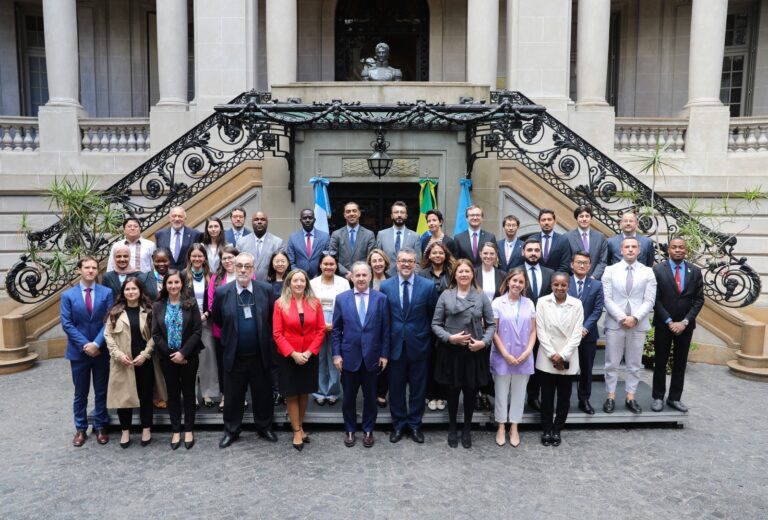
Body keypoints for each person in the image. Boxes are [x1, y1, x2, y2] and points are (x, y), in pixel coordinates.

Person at [211, 253, 278, 448]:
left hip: (259, 355)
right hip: (234, 355)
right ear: (232, 267)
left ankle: (264, 427)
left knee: (263, 394)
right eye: (239, 265)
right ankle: (232, 430)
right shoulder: (223, 292)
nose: (242, 270)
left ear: (253, 269)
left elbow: (270, 318)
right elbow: (218, 318)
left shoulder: (265, 290)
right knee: (233, 396)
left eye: (247, 266)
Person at [431, 258, 496, 449]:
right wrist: (450, 338)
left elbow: (491, 324)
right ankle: (452, 426)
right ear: (455, 274)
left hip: (473, 351)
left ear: (472, 274)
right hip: (451, 351)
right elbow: (435, 324)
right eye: (460, 271)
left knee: (470, 392)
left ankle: (467, 428)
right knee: (452, 392)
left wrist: (483, 343)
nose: (464, 274)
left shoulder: (480, 295)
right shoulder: (446, 295)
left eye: (467, 271)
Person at [380, 248, 438, 444]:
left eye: (410, 261)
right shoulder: (386, 286)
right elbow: (384, 318)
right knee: (395, 389)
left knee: (418, 389)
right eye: (402, 261)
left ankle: (414, 424)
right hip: (395, 345)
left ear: (416, 264)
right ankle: (398, 425)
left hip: (419, 345)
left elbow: (432, 317)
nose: (406, 264)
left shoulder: (428, 287)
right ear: (397, 263)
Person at [332, 262, 391, 448]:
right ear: (352, 277)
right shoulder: (342, 299)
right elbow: (336, 330)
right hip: (349, 357)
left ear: (370, 276)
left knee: (370, 397)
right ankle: (349, 429)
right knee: (348, 397)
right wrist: (336, 355)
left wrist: (384, 354)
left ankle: (368, 430)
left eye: (364, 275)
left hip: (372, 357)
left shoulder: (381, 299)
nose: (361, 278)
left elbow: (385, 330)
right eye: (357, 275)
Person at [61, 256, 114, 447]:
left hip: (101, 351)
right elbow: (67, 324)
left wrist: (97, 344)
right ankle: (81, 429)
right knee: (80, 392)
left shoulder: (106, 292)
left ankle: (100, 426)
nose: (91, 271)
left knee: (101, 391)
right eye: (87, 267)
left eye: (94, 268)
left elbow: (109, 320)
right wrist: (86, 345)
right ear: (79, 270)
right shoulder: (68, 296)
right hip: (78, 352)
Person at [602, 237, 657, 414]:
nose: (631, 249)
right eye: (627, 247)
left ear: (639, 250)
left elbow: (649, 300)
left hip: (638, 324)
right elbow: (607, 298)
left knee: (634, 364)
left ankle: (630, 396)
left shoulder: (648, 272)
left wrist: (635, 317)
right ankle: (610, 396)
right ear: (621, 249)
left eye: (634, 247)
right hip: (615, 323)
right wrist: (621, 317)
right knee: (612, 363)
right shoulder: (610, 270)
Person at [273, 269, 326, 451]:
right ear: (289, 283)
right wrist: (293, 353)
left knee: (304, 392)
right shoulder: (280, 304)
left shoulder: (315, 303)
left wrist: (310, 352)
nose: (298, 284)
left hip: (309, 355)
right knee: (292, 393)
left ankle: (300, 425)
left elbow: (320, 330)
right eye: (295, 280)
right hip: (289, 357)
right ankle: (296, 430)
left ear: (306, 284)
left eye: (302, 281)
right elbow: (277, 334)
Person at [651, 237, 704, 413]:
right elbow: (655, 299)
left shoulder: (695, 272)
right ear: (669, 250)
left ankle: (675, 398)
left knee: (680, 364)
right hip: (663, 325)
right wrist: (669, 321)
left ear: (686, 250)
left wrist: (685, 321)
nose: (678, 250)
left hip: (685, 326)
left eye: (681, 247)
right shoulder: (658, 270)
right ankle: (658, 397)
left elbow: (698, 300)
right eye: (674, 247)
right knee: (660, 362)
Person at [151, 269, 202, 449]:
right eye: (170, 283)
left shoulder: (191, 303)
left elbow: (197, 331)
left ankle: (188, 429)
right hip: (167, 358)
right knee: (172, 394)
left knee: (188, 393)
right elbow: (155, 334)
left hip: (189, 356)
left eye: (176, 282)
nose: (173, 286)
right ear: (165, 285)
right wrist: (172, 355)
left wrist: (183, 353)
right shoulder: (158, 305)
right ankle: (175, 431)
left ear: (182, 284)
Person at [104, 278, 158, 448]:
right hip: (123, 362)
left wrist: (145, 354)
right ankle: (125, 431)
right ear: (123, 292)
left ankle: (146, 429)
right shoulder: (115, 312)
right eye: (127, 289)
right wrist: (118, 355)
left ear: (140, 291)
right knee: (123, 397)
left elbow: (155, 336)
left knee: (146, 396)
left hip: (143, 360)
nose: (131, 292)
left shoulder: (149, 310)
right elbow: (108, 335)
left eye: (134, 289)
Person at [535, 272, 583, 447]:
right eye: (556, 284)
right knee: (546, 396)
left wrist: (562, 355)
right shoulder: (542, 302)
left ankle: (557, 429)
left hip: (568, 356)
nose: (559, 288)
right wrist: (552, 354)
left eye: (563, 285)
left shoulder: (576, 304)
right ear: (551, 285)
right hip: (547, 356)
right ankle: (546, 429)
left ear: (568, 286)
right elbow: (540, 330)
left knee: (564, 396)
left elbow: (577, 333)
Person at [491, 268, 536, 447]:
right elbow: (493, 331)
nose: (517, 284)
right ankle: (501, 425)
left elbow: (533, 330)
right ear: (508, 281)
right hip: (503, 354)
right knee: (501, 392)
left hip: (524, 355)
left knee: (519, 392)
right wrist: (505, 354)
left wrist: (528, 351)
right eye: (514, 281)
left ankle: (515, 426)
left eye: (521, 282)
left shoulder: (529, 303)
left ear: (524, 285)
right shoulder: (497, 303)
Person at [419, 241, 455, 411]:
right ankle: (430, 394)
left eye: (441, 253)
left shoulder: (452, 273)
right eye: (434, 253)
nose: (438, 256)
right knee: (430, 360)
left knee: (445, 362)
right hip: (426, 323)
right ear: (429, 256)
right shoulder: (422, 274)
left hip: (449, 324)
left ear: (446, 254)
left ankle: (443, 395)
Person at [310, 252, 349, 406]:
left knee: (335, 358)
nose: (328, 267)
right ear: (320, 265)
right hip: (316, 325)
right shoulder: (312, 283)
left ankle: (333, 392)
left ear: (336, 265)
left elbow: (347, 305)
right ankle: (319, 392)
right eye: (325, 264)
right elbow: (309, 305)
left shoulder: (344, 283)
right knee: (319, 359)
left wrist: (335, 325)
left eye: (331, 264)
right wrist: (321, 324)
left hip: (337, 324)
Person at [568, 251, 605, 415]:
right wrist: (574, 329)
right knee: (566, 369)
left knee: (586, 368)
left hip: (587, 334)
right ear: (572, 264)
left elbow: (597, 310)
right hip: (567, 334)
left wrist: (584, 328)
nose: (582, 265)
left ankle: (584, 399)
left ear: (590, 266)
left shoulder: (597, 285)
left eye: (585, 263)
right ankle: (565, 399)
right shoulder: (564, 282)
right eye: (578, 262)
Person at [183, 243, 218, 408]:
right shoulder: (183, 276)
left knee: (207, 358)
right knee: (190, 361)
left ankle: (208, 394)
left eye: (200, 256)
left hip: (206, 322)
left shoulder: (212, 277)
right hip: (187, 324)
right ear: (190, 257)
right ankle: (192, 396)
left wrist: (206, 315)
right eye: (194, 256)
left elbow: (215, 300)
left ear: (205, 258)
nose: (197, 259)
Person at [474, 241, 507, 411]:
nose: (488, 256)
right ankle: (477, 393)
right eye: (485, 253)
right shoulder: (472, 273)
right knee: (477, 359)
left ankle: (486, 392)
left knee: (490, 358)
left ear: (496, 256)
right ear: (480, 254)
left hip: (496, 322)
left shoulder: (502, 275)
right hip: (474, 322)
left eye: (491, 254)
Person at [521, 237, 553, 412]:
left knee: (538, 364)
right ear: (523, 252)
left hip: (543, 327)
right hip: (519, 327)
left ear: (541, 253)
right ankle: (515, 397)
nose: (533, 253)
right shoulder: (514, 272)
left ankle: (533, 396)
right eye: (530, 250)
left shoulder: (550, 273)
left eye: (536, 250)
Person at [208, 245, 239, 411]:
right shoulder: (216, 278)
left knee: (240, 364)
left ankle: (239, 396)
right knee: (224, 364)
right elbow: (212, 304)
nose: (227, 261)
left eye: (230, 257)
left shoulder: (247, 275)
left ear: (237, 258)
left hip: (243, 330)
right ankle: (225, 395)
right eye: (224, 258)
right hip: (222, 330)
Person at [367, 248, 392, 407]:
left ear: (385, 262)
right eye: (374, 261)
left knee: (385, 360)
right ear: (369, 264)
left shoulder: (392, 281)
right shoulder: (364, 280)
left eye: (380, 260)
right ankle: (370, 392)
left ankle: (381, 393)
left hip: (388, 325)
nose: (377, 264)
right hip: (368, 326)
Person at [330, 201, 376, 280]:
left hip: (362, 277)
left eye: (354, 211)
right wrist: (345, 272)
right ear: (344, 215)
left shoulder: (369, 234)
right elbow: (332, 257)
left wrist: (359, 272)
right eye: (348, 212)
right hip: (342, 278)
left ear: (359, 214)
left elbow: (372, 258)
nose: (351, 214)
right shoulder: (336, 234)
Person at [236, 210, 284, 281]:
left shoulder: (278, 243)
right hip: (246, 284)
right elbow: (236, 265)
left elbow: (282, 267)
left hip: (269, 285)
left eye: (263, 219)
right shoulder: (241, 242)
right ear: (252, 222)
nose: (259, 222)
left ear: (267, 222)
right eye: (256, 219)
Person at [376, 201, 421, 272]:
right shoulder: (381, 235)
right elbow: (378, 259)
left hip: (408, 277)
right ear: (391, 216)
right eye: (396, 212)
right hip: (387, 278)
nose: (399, 215)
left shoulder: (415, 236)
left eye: (402, 212)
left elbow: (418, 262)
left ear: (406, 216)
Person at [565, 206, 608, 279]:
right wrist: (578, 276)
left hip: (595, 280)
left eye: (587, 216)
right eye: (581, 216)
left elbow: (602, 261)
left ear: (591, 218)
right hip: (574, 280)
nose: (584, 219)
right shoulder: (567, 237)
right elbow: (566, 261)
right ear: (576, 219)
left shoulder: (600, 237)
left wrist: (594, 276)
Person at [155, 206, 204, 270]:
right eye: (174, 216)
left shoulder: (195, 234)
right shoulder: (160, 234)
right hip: (167, 276)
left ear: (185, 218)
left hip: (188, 275)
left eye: (180, 216)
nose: (177, 219)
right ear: (169, 218)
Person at [286, 208, 330, 279]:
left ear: (314, 220)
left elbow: (327, 259)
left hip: (320, 278)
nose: (307, 220)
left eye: (310, 218)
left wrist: (320, 275)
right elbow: (291, 262)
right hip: (299, 279)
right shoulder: (293, 238)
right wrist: (298, 275)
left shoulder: (325, 237)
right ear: (300, 220)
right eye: (304, 218)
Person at [536, 209, 571, 273]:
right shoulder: (532, 239)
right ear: (539, 222)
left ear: (555, 222)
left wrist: (554, 278)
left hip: (556, 280)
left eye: (549, 219)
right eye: (543, 220)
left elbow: (565, 265)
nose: (546, 222)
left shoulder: (563, 240)